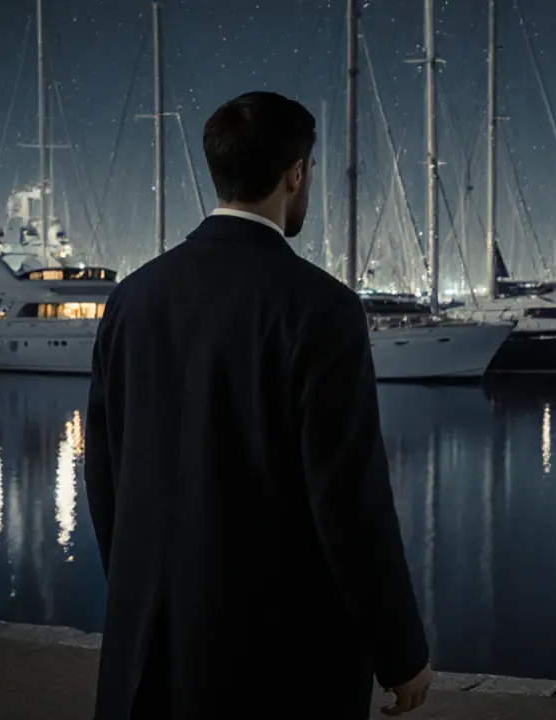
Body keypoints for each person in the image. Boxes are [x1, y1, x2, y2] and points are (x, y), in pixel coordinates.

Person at [84, 91, 432, 719]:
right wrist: (400, 649)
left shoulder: (132, 300)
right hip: (279, 662)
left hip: (153, 651)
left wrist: (141, 595)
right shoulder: (320, 309)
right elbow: (350, 503)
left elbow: (106, 475)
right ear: (296, 173)